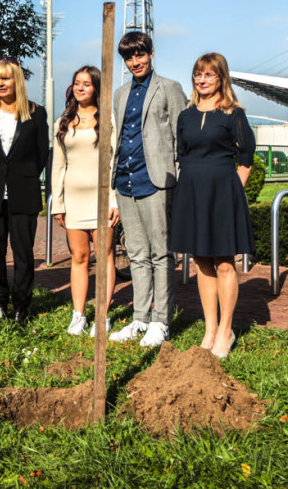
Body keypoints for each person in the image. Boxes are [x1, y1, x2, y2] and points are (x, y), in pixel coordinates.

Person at [169, 53, 255, 359]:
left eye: (208, 75)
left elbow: (246, 157)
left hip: (222, 193)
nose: (201, 80)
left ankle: (225, 330)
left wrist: (232, 192)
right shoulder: (186, 116)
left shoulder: (234, 114)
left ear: (221, 78)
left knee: (224, 263)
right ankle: (210, 328)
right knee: (201, 262)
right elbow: (182, 155)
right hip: (192, 192)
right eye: (197, 74)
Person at [107, 31, 188, 348]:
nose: (135, 62)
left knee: (161, 254)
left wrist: (177, 181)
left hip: (157, 181)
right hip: (126, 181)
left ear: (151, 54)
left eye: (140, 55)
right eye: (129, 57)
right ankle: (140, 318)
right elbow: (120, 135)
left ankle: (162, 321)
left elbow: (182, 140)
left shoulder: (169, 88)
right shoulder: (120, 93)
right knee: (136, 254)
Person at [0, 58, 49, 323]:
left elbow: (41, 154)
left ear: (17, 80)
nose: (0, 83)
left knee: (23, 254)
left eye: (6, 78)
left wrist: (22, 175)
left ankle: (21, 307)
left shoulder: (36, 113)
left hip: (24, 194)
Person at [50, 66, 118, 335]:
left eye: (87, 84)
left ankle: (102, 314)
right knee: (79, 256)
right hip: (73, 199)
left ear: (97, 89)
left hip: (102, 198)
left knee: (104, 256)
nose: (80, 88)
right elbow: (58, 164)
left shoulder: (108, 121)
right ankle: (78, 315)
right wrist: (58, 203)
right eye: (77, 83)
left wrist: (115, 199)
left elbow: (115, 162)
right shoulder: (63, 121)